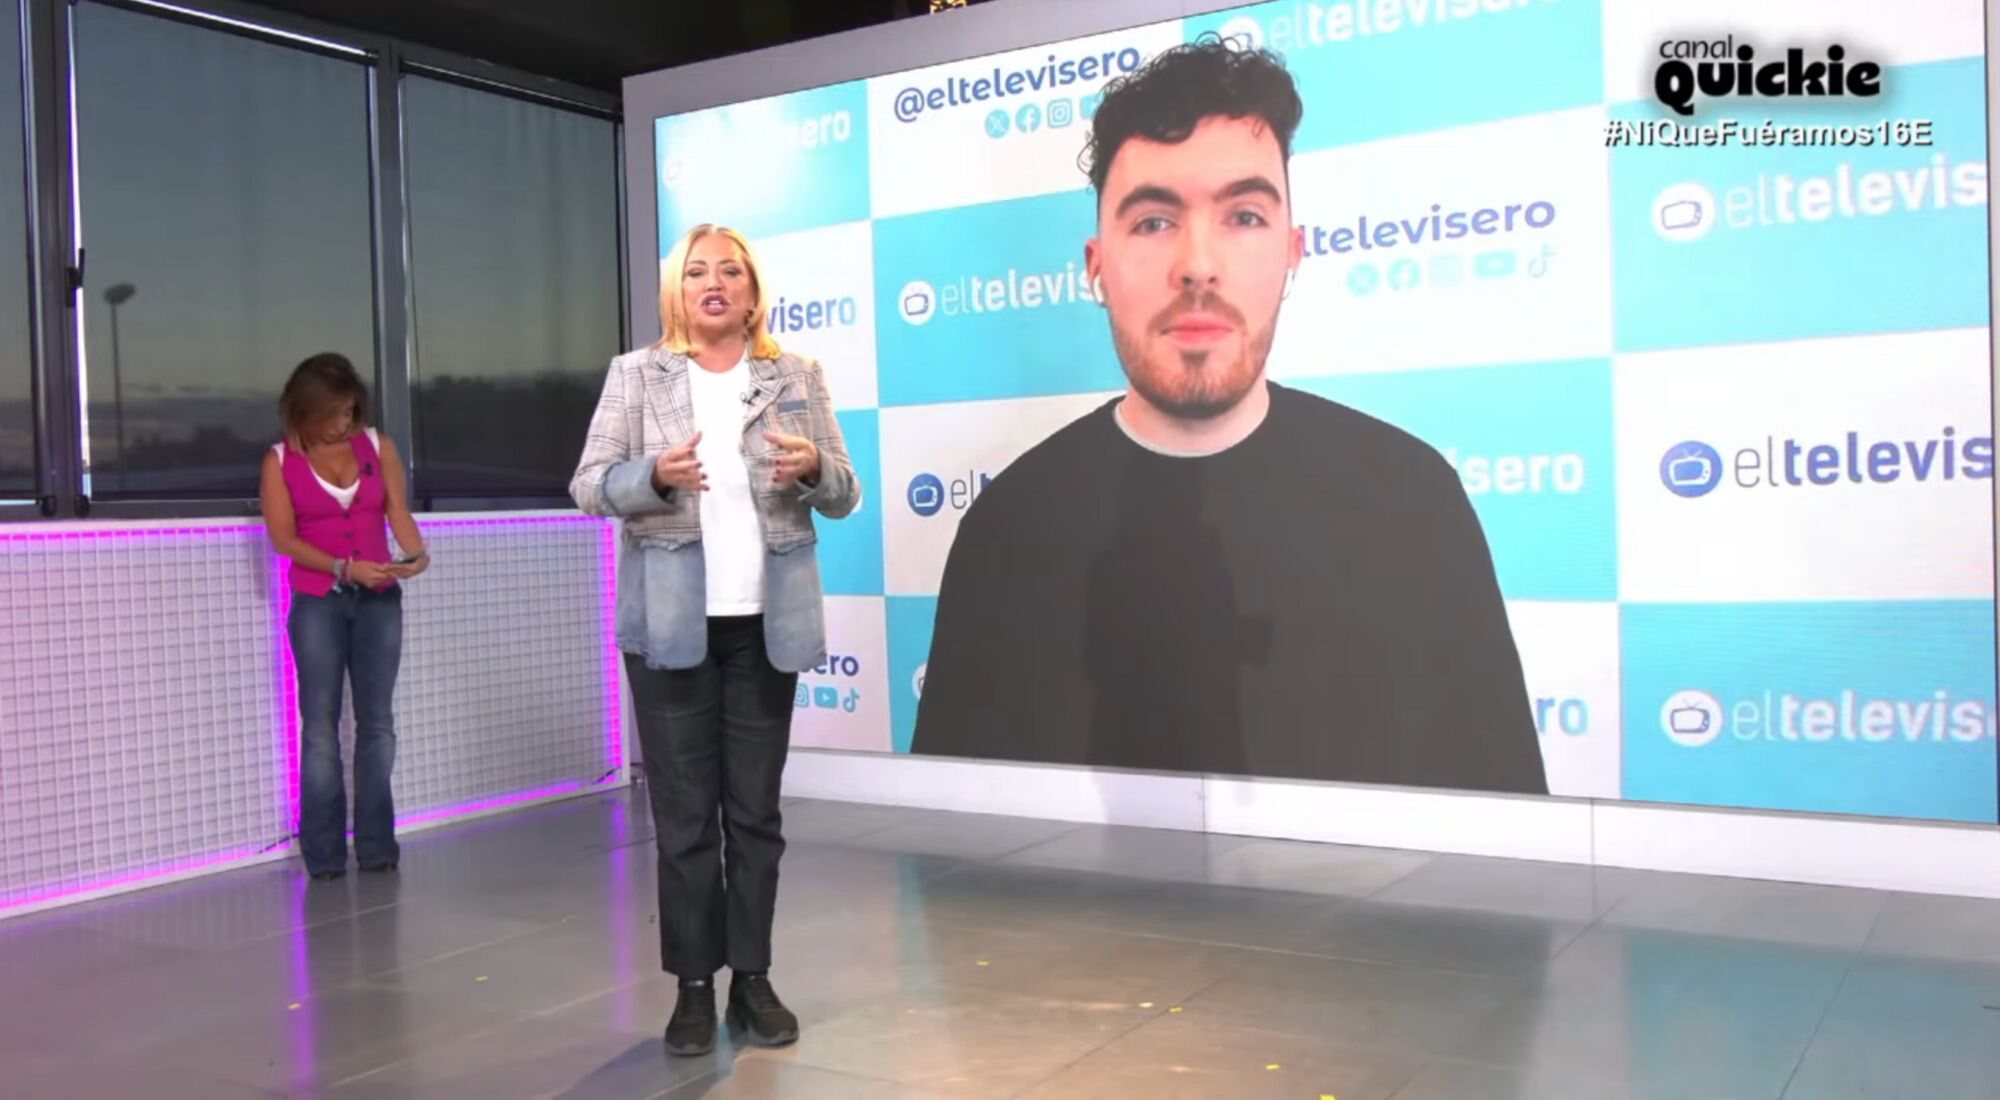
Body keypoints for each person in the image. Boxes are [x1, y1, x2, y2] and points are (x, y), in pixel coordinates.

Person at [910, 35, 1549, 797]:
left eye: (1244, 216)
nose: (1198, 265)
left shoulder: (1414, 498)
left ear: (1293, 253)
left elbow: (1509, 826)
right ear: (1096, 267)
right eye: (1154, 221)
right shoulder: (1008, 527)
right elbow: (956, 839)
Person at [570, 223, 860, 1056]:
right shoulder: (637, 375)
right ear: (677, 290)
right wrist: (653, 477)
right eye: (697, 271)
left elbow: (843, 492)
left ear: (752, 290)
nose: (714, 283)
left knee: (755, 817)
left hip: (766, 628)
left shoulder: (794, 373)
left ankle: (753, 981)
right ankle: (694, 987)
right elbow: (588, 486)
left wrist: (813, 469)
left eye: (730, 270)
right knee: (686, 819)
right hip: (669, 631)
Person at [259, 352, 429, 882]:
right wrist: (342, 568)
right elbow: (284, 540)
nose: (342, 423)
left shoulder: (378, 446)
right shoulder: (280, 461)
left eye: (350, 411)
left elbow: (396, 511)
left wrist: (415, 554)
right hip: (317, 603)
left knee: (377, 724)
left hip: (379, 601)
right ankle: (324, 855)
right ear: (304, 410)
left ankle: (377, 848)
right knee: (320, 727)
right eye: (332, 413)